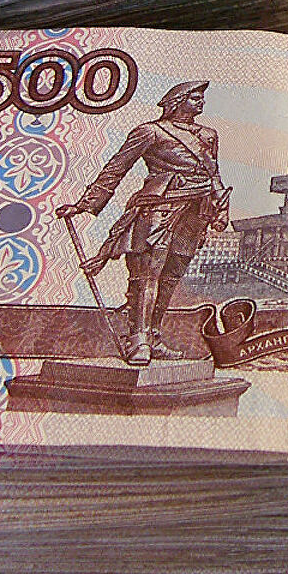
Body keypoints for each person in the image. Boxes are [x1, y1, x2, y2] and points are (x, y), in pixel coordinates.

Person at [57, 81, 228, 365]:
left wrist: (220, 209)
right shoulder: (150, 131)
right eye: (194, 98)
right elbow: (117, 168)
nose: (201, 103)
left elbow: (213, 174)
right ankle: (138, 340)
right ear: (177, 101)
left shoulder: (208, 135)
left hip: (195, 211)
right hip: (158, 208)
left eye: (202, 98)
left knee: (171, 275)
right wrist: (85, 204)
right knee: (147, 274)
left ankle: (155, 336)